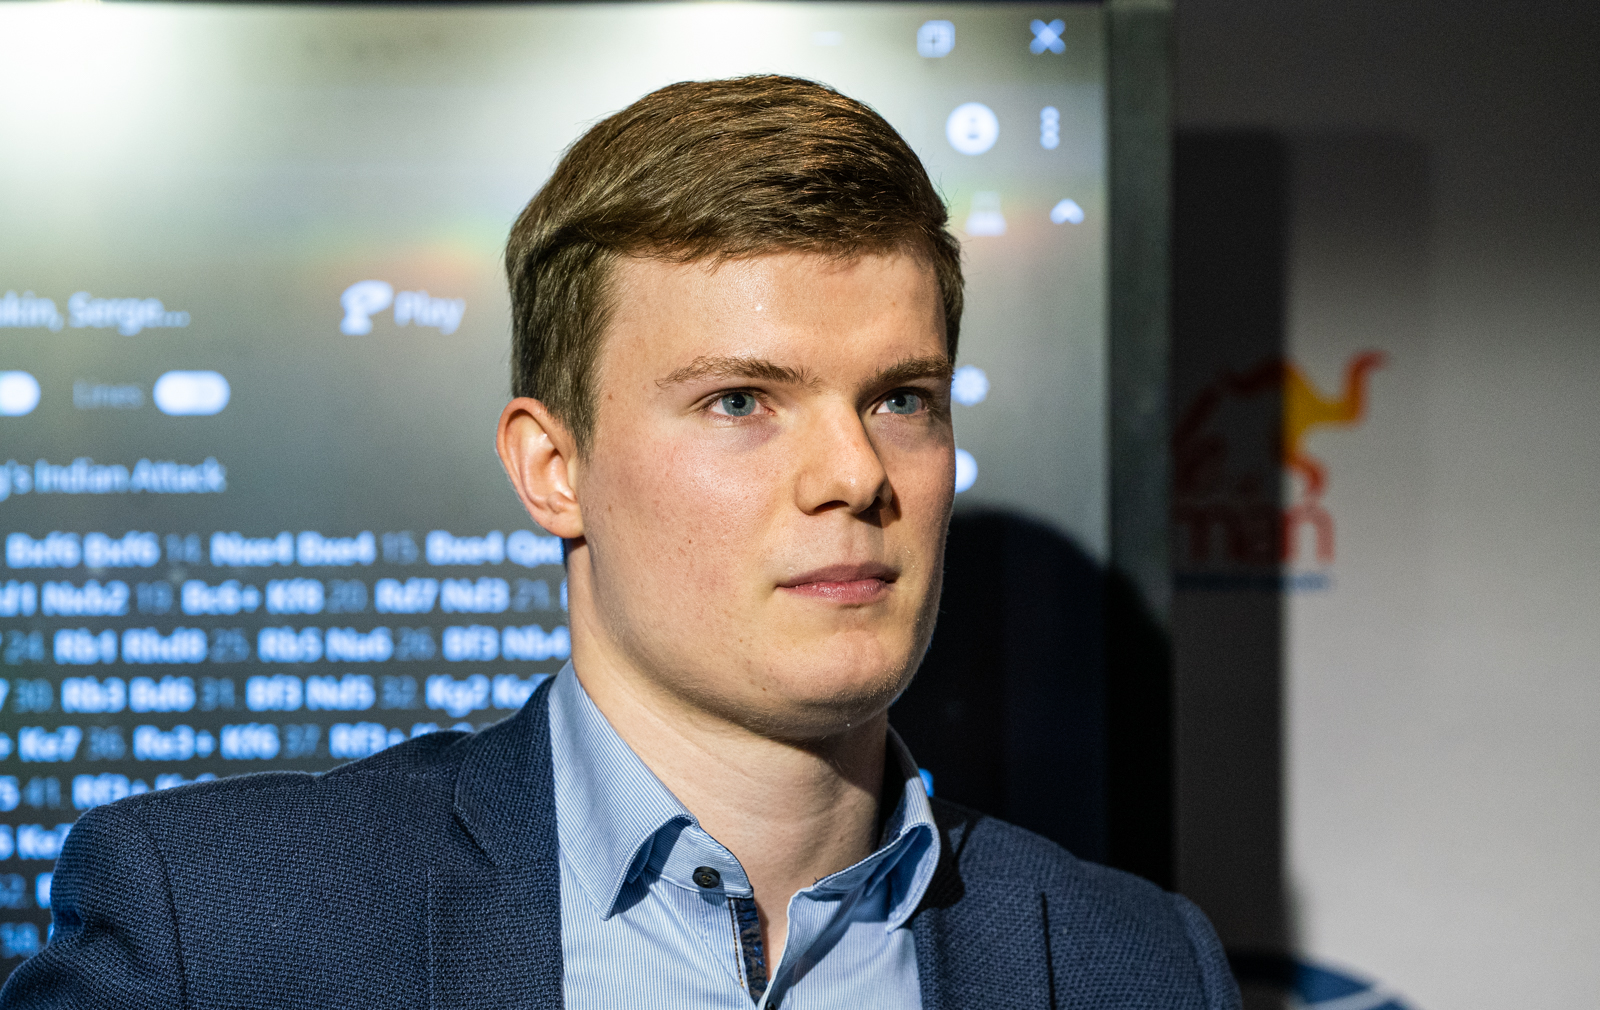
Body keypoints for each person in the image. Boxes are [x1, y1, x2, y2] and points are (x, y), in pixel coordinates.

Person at [0, 76, 1238, 1009]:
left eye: (900, 398)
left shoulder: (1136, 964)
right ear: (554, 468)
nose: (856, 474)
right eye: (741, 400)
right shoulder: (217, 933)